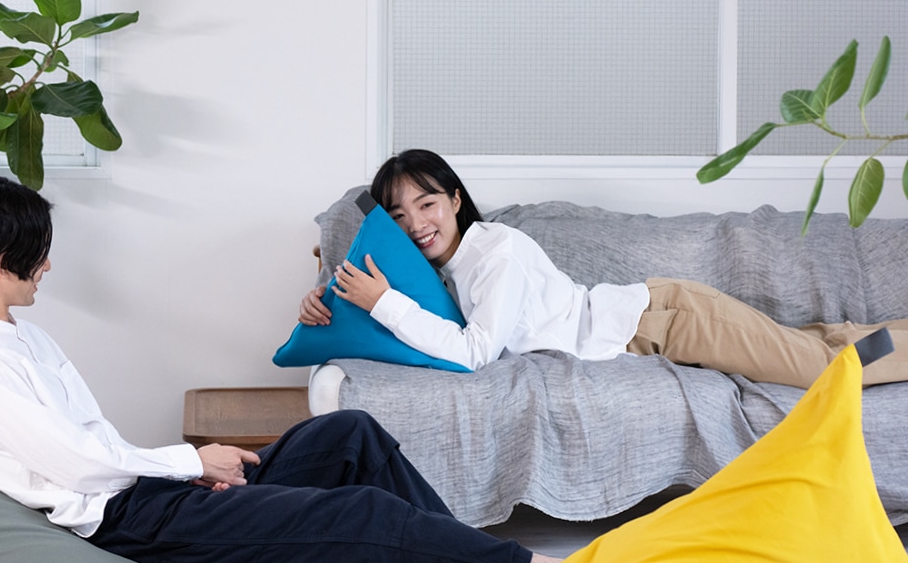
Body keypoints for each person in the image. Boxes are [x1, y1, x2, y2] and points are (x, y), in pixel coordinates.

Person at [0, 175, 560, 563]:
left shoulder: (22, 337)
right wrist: (191, 460)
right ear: (5, 261)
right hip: (135, 524)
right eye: (38, 256)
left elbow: (98, 445)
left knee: (351, 433)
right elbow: (77, 465)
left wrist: (183, 472)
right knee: (361, 512)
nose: (46, 267)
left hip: (153, 493)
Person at [300, 148, 908, 389]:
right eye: (399, 215)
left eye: (427, 204)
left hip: (666, 321)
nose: (416, 224)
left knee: (822, 371)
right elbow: (408, 316)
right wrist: (323, 300)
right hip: (655, 319)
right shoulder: (442, 272)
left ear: (455, 200)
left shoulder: (498, 252)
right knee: (811, 342)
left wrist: (383, 302)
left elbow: (473, 352)